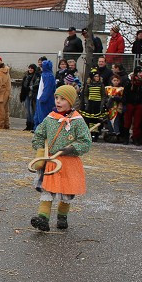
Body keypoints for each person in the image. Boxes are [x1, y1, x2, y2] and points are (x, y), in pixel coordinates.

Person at [30, 85, 91, 232]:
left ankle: (62, 217)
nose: (58, 101)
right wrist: (40, 150)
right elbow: (38, 135)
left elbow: (86, 142)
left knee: (66, 192)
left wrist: (72, 149)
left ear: (70, 101)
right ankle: (42, 218)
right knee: (47, 190)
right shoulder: (50, 118)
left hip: (68, 163)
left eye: (63, 99)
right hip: (51, 161)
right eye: (57, 98)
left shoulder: (78, 121)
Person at [33, 59, 56, 129]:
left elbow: (47, 88)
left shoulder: (48, 76)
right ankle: (37, 129)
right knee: (38, 116)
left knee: (43, 116)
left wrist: (43, 98)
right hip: (40, 98)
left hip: (44, 100)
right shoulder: (45, 75)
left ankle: (42, 130)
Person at [20, 63, 39, 132]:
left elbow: (37, 85)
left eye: (32, 68)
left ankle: (33, 125)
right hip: (26, 95)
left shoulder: (37, 76)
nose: (30, 69)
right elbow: (23, 86)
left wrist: (30, 88)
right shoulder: (26, 76)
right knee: (28, 111)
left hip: (33, 95)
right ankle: (28, 125)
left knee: (32, 111)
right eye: (29, 68)